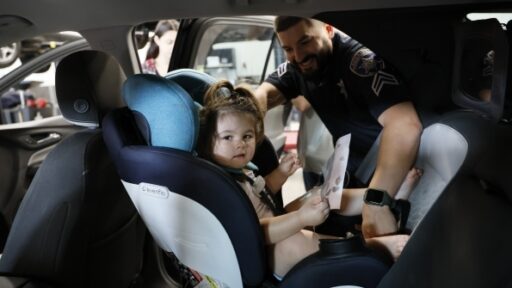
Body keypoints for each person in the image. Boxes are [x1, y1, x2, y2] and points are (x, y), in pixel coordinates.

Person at [197, 80, 420, 278]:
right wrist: (301, 219)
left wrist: (281, 174)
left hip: (275, 222)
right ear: (208, 143)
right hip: (265, 252)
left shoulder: (242, 170)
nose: (240, 144)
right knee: (293, 238)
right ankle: (369, 247)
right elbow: (255, 231)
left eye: (247, 136)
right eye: (228, 137)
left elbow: (261, 191)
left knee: (320, 193)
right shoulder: (221, 185)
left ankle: (380, 196)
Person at [254, 16, 423, 239]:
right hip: (349, 173)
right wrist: (244, 112)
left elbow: (405, 125)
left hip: (384, 171)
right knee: (289, 218)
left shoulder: (361, 62)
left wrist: (377, 201)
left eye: (305, 42)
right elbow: (264, 94)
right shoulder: (296, 69)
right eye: (288, 48)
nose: (299, 56)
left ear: (328, 29)